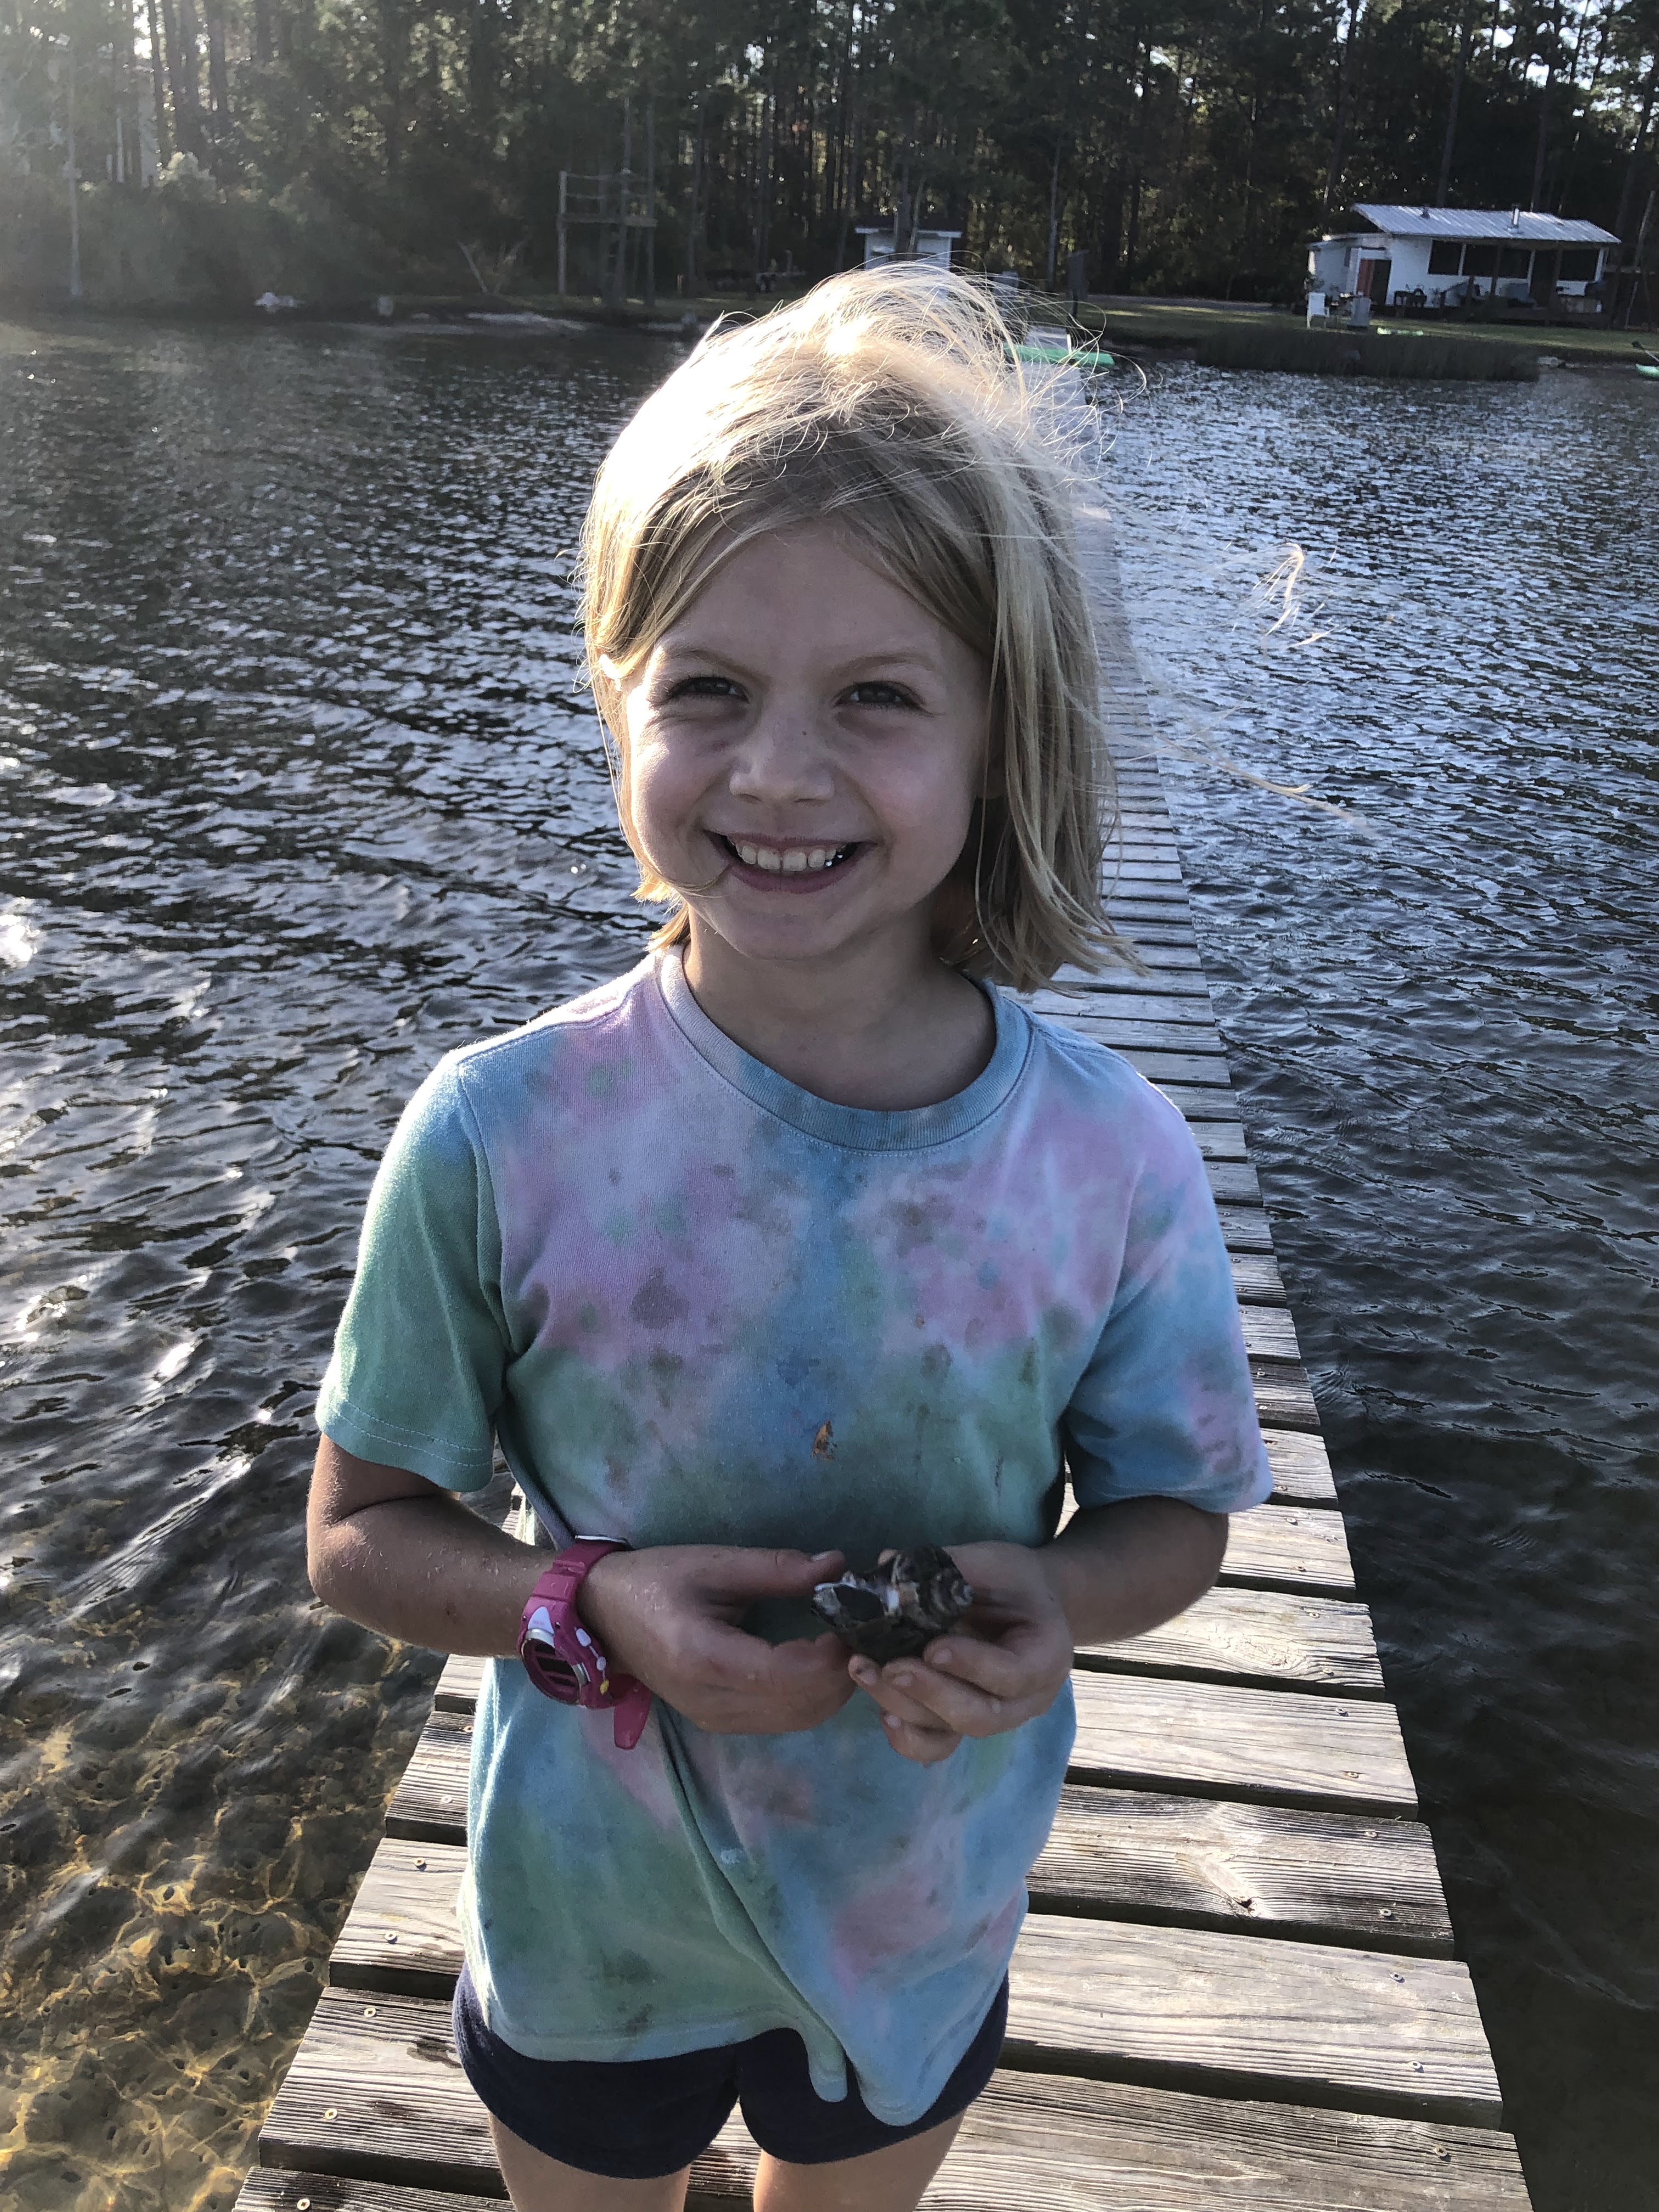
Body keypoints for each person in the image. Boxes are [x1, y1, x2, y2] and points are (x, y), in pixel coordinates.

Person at [306, 265, 1271, 2212]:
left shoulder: (1110, 1157)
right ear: (619, 700)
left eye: (879, 700)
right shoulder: (497, 1132)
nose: (777, 773)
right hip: (592, 1920)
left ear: (1001, 734)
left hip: (917, 1908)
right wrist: (583, 1607)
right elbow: (360, 1532)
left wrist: (1046, 1598)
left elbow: (1174, 1519)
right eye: (711, 690)